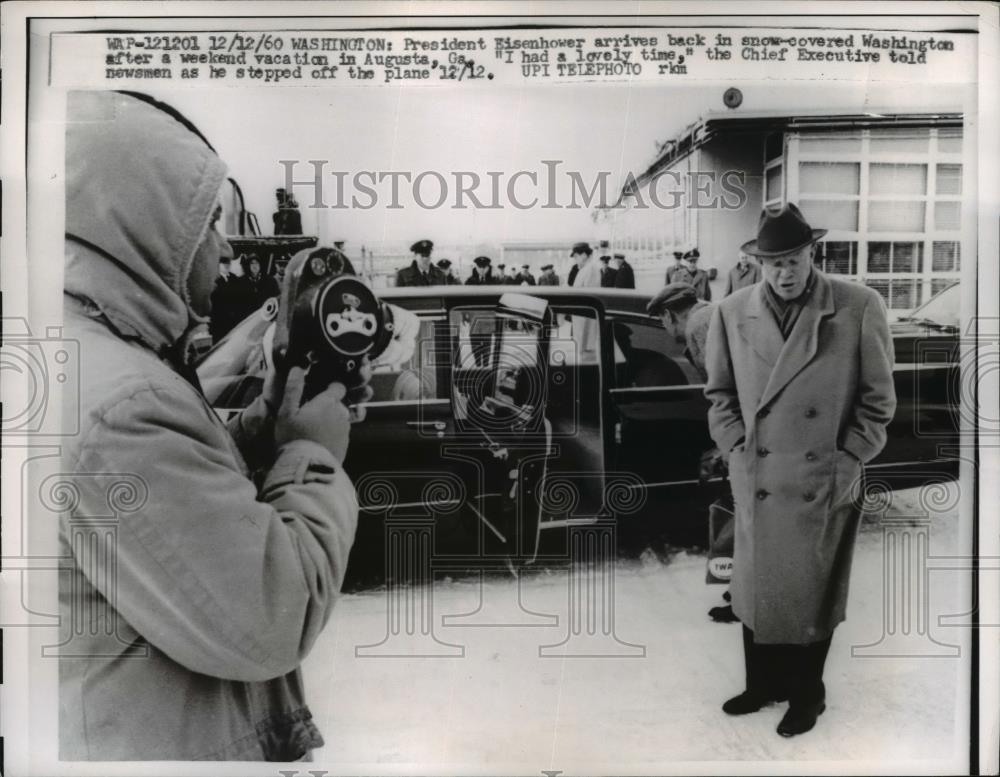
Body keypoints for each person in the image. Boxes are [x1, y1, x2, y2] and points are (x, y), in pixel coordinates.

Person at [61, 90, 364, 761]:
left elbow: (168, 518)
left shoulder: (86, 354)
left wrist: (255, 433)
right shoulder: (126, 406)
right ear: (152, 227)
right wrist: (312, 453)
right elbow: (267, 614)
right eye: (209, 224)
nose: (226, 247)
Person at [704, 202, 896, 737]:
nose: (784, 272)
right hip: (760, 476)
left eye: (793, 259)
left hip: (821, 480)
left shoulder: (857, 306)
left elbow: (878, 401)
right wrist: (737, 448)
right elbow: (718, 394)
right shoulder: (731, 311)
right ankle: (762, 684)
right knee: (754, 589)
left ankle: (808, 695)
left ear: (813, 252)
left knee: (811, 593)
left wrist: (848, 456)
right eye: (773, 263)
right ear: (757, 263)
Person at [208, 254, 242, 342]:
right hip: (219, 323)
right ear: (218, 264)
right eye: (224, 263)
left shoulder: (235, 279)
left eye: (229, 262)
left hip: (234, 322)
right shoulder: (213, 280)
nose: (227, 265)